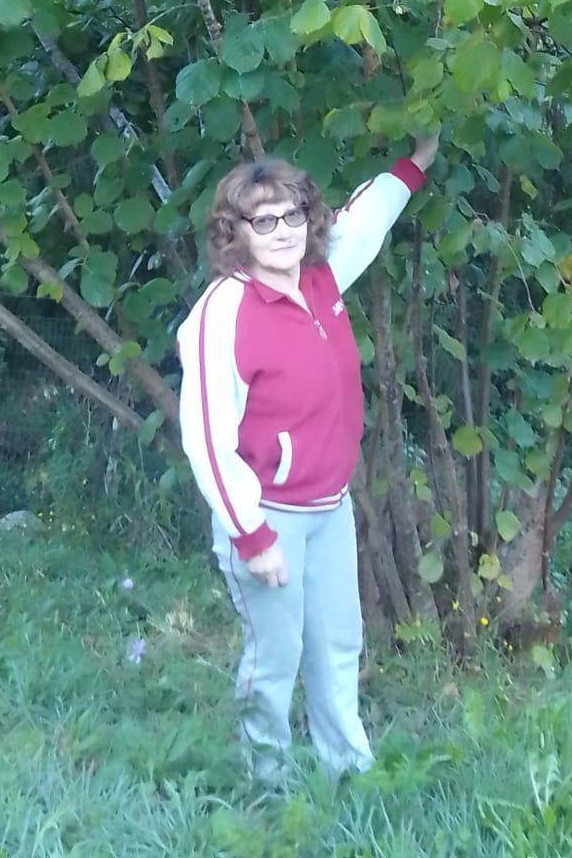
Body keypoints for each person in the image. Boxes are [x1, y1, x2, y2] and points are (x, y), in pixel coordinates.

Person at [177, 134, 439, 780]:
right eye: (263, 221)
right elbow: (207, 437)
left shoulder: (322, 277)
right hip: (268, 517)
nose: (283, 231)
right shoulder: (223, 312)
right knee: (276, 657)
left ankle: (346, 772)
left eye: (292, 215)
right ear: (234, 232)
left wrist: (417, 160)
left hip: (330, 510)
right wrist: (253, 534)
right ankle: (267, 785)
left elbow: (369, 216)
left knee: (337, 644)